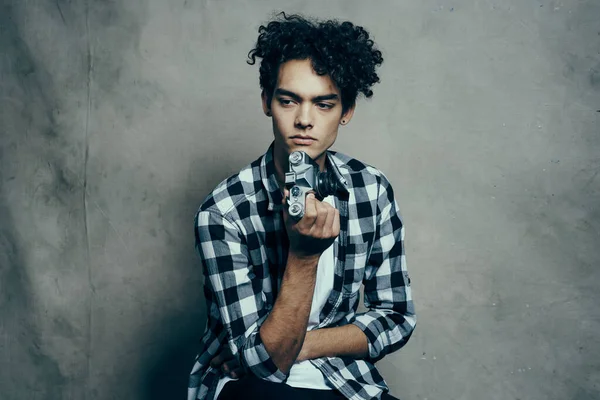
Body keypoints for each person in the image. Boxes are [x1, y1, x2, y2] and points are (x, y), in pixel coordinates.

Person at [187, 11, 416, 400]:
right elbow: (264, 364)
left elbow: (396, 317)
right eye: (289, 101)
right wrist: (304, 256)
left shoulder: (371, 189)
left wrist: (306, 344)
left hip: (344, 379)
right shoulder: (224, 211)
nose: (304, 120)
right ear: (266, 102)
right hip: (252, 386)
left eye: (324, 104)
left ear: (346, 112)